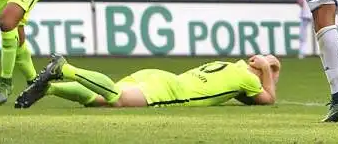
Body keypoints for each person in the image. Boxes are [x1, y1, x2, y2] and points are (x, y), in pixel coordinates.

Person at [14, 54, 280, 109]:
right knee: (117, 98)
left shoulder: (232, 66)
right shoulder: (247, 78)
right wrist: (268, 69)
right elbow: (269, 99)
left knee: (101, 100)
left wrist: (266, 66)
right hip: (171, 90)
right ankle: (66, 69)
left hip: (158, 76)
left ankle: (49, 87)